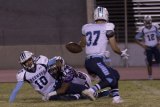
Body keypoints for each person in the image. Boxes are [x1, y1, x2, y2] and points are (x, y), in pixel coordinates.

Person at [78, 6, 129, 103]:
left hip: (89, 61)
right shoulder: (108, 26)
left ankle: (116, 98)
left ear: (95, 16)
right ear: (106, 15)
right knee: (110, 78)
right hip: (96, 60)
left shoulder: (86, 27)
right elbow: (114, 48)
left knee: (115, 74)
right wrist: (121, 53)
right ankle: (91, 90)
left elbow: (82, 45)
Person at [9, 51, 92, 103]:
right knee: (64, 99)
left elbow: (57, 59)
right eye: (25, 62)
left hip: (57, 84)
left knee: (81, 88)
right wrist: (10, 101)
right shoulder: (22, 74)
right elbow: (16, 89)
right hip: (47, 93)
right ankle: (78, 96)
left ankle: (93, 91)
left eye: (29, 60)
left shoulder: (41, 61)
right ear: (22, 64)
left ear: (32, 58)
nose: (28, 63)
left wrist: (58, 63)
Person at [43, 56, 110, 101]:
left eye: (54, 66)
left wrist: (50, 94)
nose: (53, 68)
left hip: (84, 82)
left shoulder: (67, 71)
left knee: (89, 95)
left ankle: (106, 92)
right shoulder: (59, 71)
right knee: (64, 94)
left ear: (61, 64)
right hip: (74, 84)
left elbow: (63, 89)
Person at [135, 15, 160, 80]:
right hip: (148, 47)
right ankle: (150, 76)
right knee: (149, 62)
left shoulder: (155, 27)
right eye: (147, 21)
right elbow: (136, 38)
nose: (148, 23)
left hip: (155, 46)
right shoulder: (143, 29)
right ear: (144, 22)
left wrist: (158, 43)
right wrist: (143, 45)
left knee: (159, 61)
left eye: (149, 21)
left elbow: (159, 35)